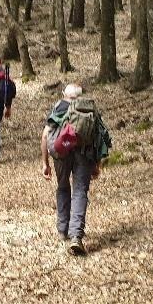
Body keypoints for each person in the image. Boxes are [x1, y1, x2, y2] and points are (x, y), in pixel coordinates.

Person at [41, 83, 107, 256]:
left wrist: (45, 163)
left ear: (64, 94)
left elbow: (45, 135)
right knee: (80, 192)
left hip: (62, 153)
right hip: (84, 155)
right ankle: (76, 236)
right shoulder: (90, 110)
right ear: (81, 96)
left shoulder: (59, 107)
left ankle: (63, 229)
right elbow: (100, 138)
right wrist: (97, 165)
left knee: (63, 187)